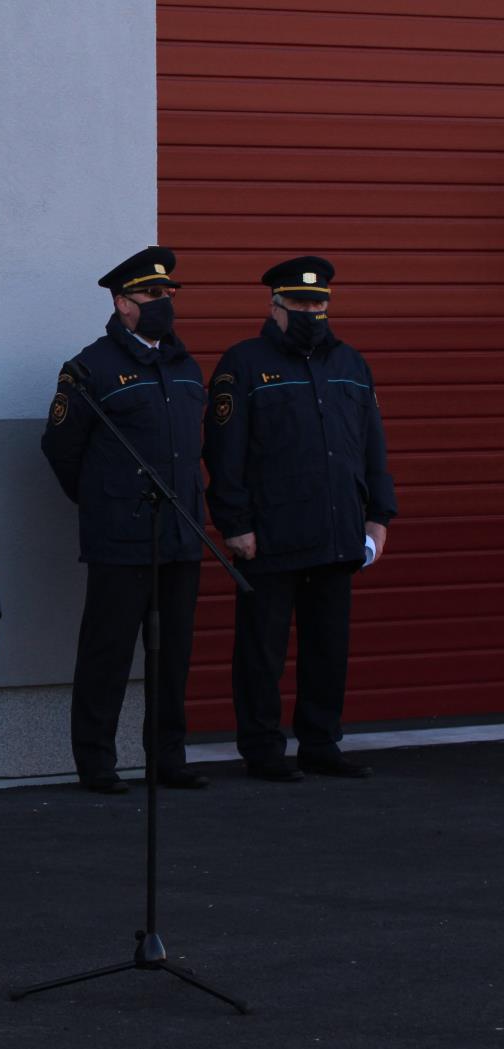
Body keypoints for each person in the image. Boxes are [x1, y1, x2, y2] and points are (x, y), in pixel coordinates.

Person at [204, 256, 397, 781]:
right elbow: (225, 454)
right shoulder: (243, 364)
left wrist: (379, 516)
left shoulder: (352, 365)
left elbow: (372, 447)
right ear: (275, 307)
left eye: (319, 303)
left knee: (327, 649)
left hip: (337, 533)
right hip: (270, 538)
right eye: (300, 303)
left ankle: (320, 743)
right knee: (262, 653)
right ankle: (263, 750)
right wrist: (234, 523)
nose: (312, 311)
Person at [40, 248, 211, 794]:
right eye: (152, 296)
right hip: (122, 539)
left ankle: (167, 757)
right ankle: (97, 763)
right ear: (122, 304)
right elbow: (62, 449)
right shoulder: (90, 368)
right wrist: (105, 503)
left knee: (173, 655)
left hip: (181, 534)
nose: (163, 304)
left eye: (168, 295)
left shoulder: (186, 367)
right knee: (107, 655)